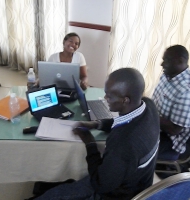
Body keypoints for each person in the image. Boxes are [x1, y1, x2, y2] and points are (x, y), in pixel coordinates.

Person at [34, 68, 160, 200]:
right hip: (137, 179)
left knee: (50, 196)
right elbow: (122, 121)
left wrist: (90, 142)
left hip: (120, 193)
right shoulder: (149, 106)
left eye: (109, 96)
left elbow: (100, 185)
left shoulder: (124, 144)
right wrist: (96, 124)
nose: (105, 98)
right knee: (60, 189)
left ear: (125, 100)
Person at [152, 45, 190, 161]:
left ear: (180, 61)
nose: (162, 64)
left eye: (166, 60)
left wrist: (148, 115)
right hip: (156, 128)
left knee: (130, 147)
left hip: (171, 142)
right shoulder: (167, 75)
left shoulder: (185, 91)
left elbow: (174, 129)